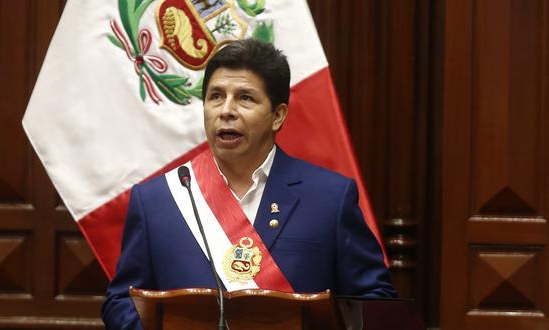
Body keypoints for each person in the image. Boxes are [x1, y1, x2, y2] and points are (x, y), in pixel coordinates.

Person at [101, 38, 396, 329]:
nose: (226, 110)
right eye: (216, 96)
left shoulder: (330, 198)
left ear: (277, 116)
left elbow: (376, 303)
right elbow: (120, 302)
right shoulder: (157, 200)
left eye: (245, 98)